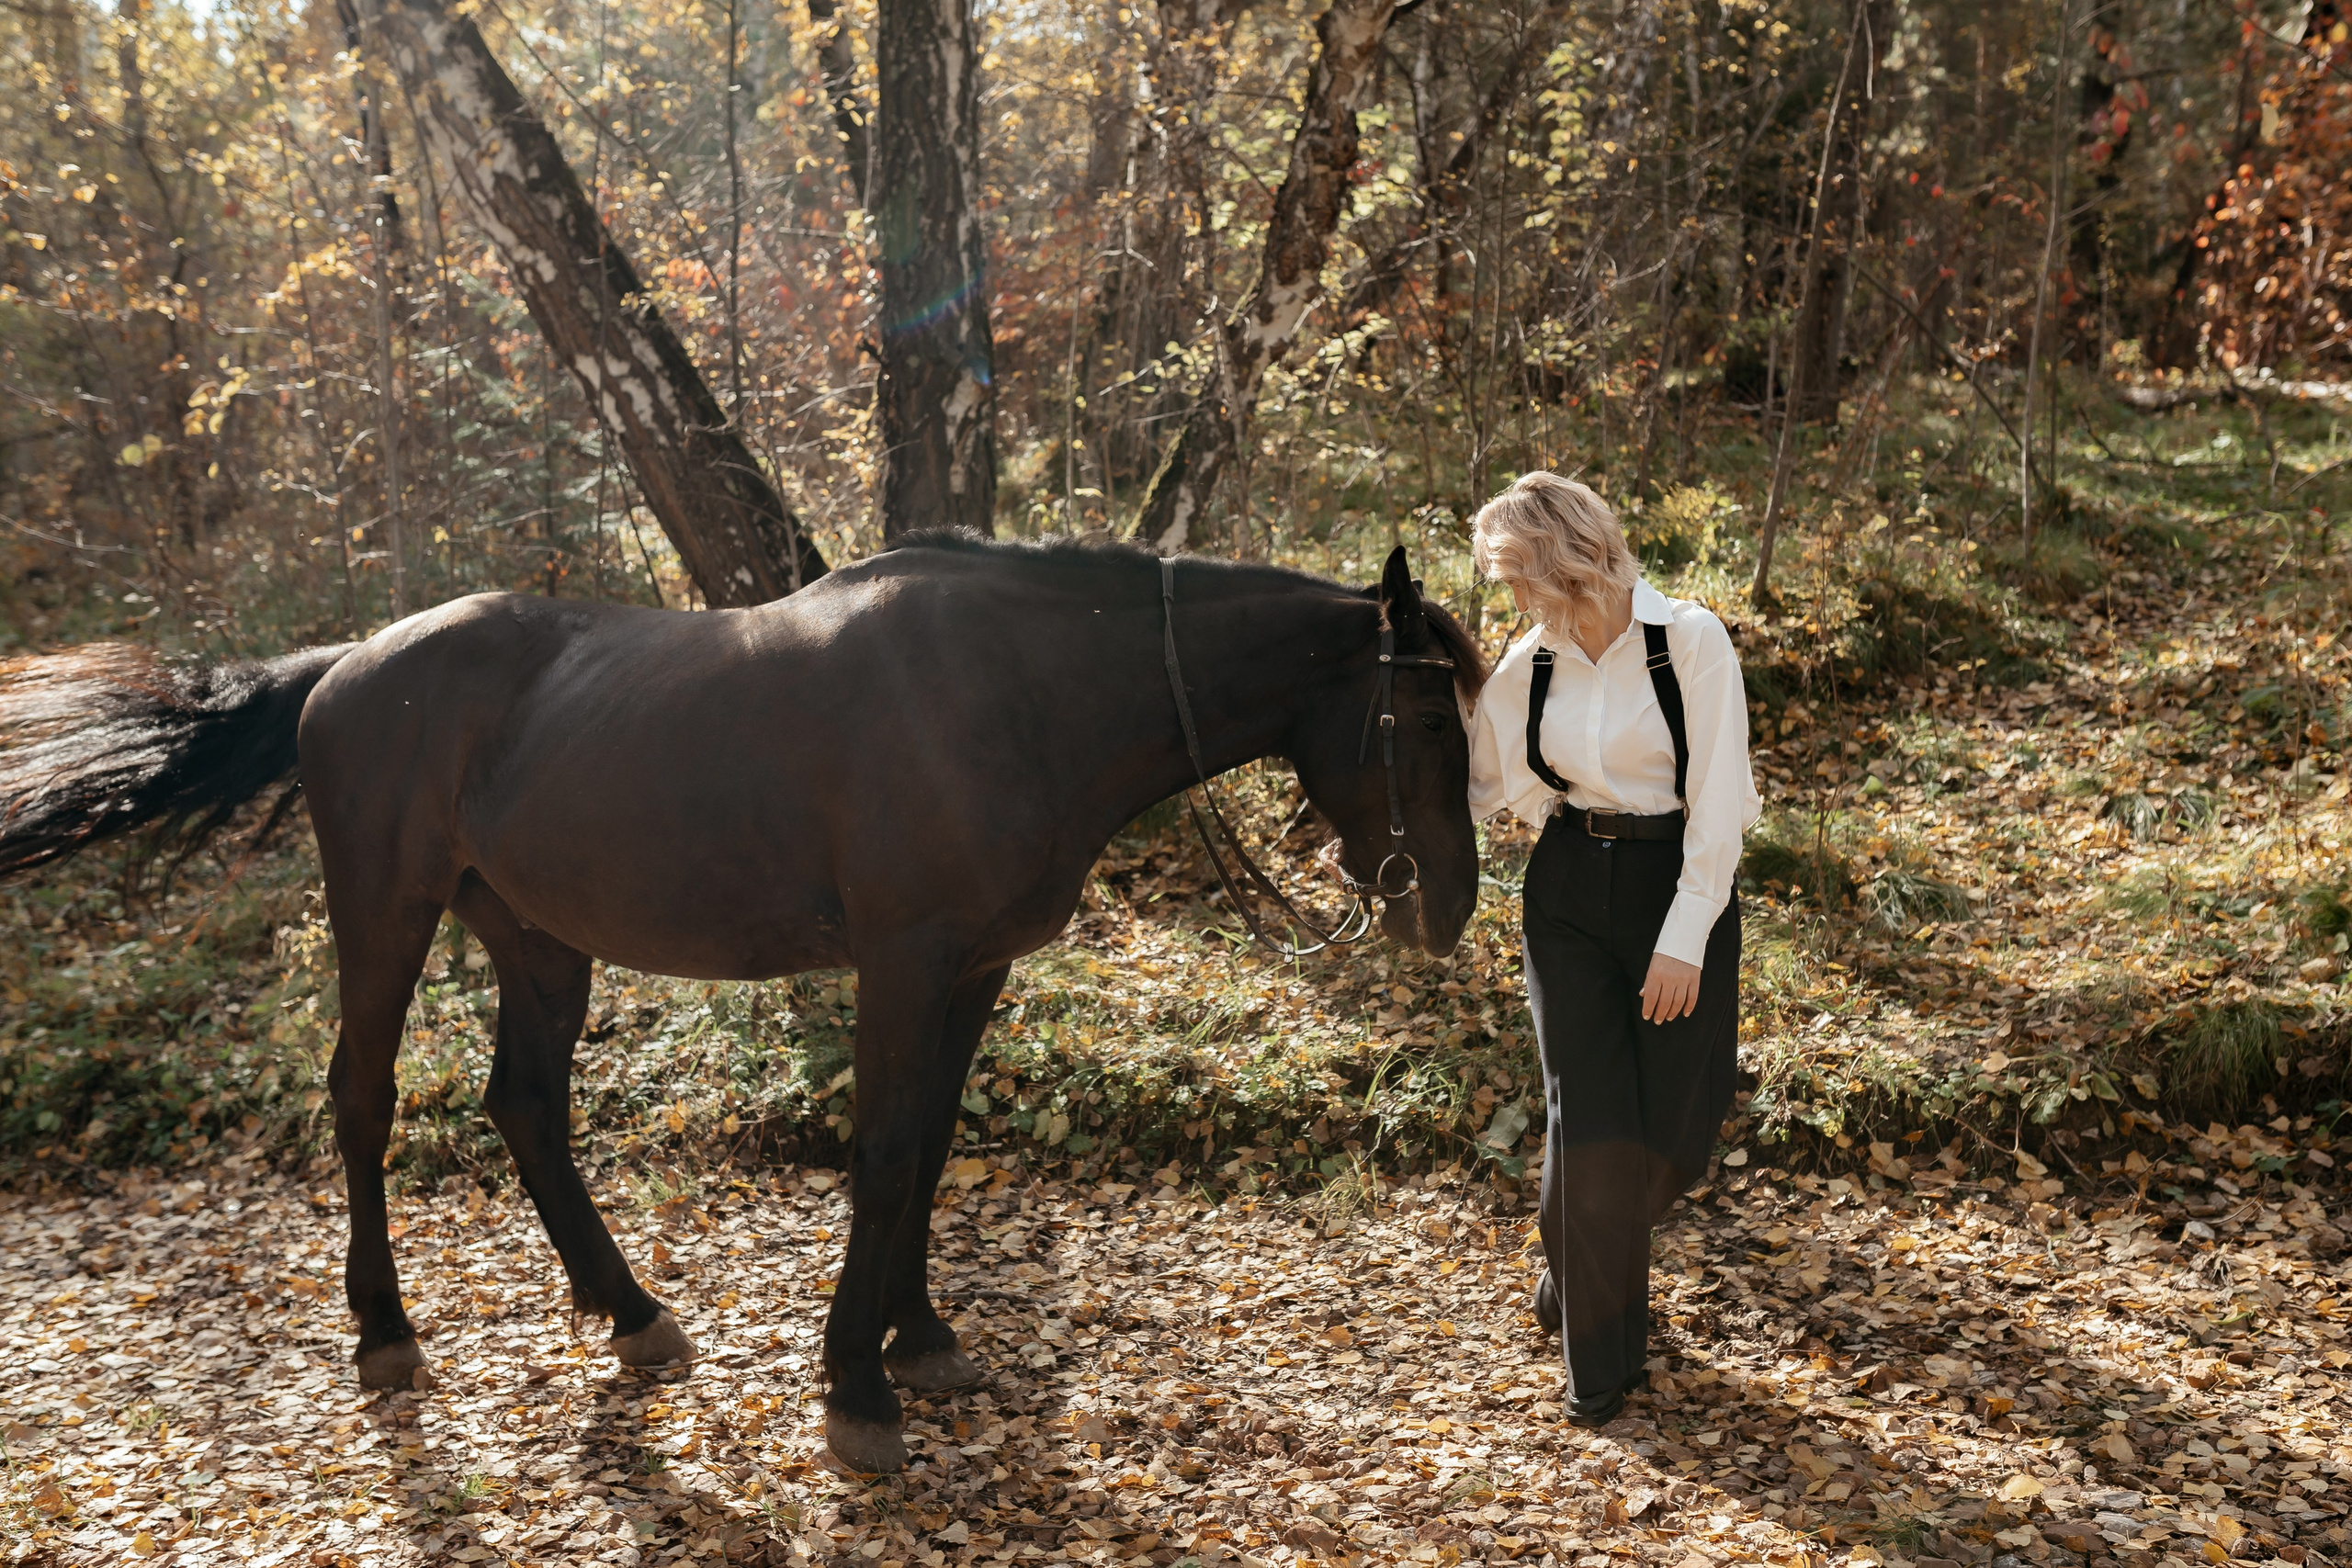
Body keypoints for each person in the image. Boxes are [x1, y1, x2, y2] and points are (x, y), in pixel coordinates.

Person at [1464, 471, 1760, 1427]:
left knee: (1678, 1122)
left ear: (1562, 559)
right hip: (1565, 896)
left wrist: (1683, 937)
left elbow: (1722, 800)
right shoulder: (1530, 659)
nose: (1511, 600)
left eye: (1517, 578)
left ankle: (1574, 1257)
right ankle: (1600, 1368)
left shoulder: (1689, 642)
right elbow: (1477, 782)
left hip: (1677, 885)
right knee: (1585, 1116)